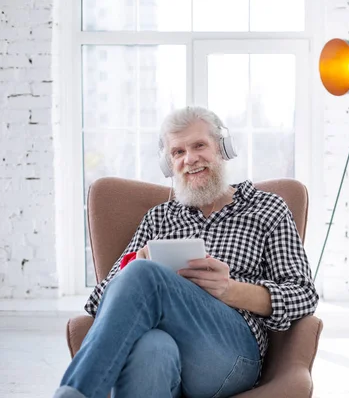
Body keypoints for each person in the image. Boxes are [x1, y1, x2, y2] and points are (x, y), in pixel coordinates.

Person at [54, 106, 319, 398]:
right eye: (178, 152)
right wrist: (132, 266)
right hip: (168, 356)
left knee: (145, 276)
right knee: (151, 348)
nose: (189, 159)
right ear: (169, 164)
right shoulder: (159, 218)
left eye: (199, 146)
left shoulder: (267, 208)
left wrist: (231, 290)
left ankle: (74, 393)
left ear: (222, 149)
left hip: (231, 357)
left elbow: (304, 294)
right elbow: (97, 302)